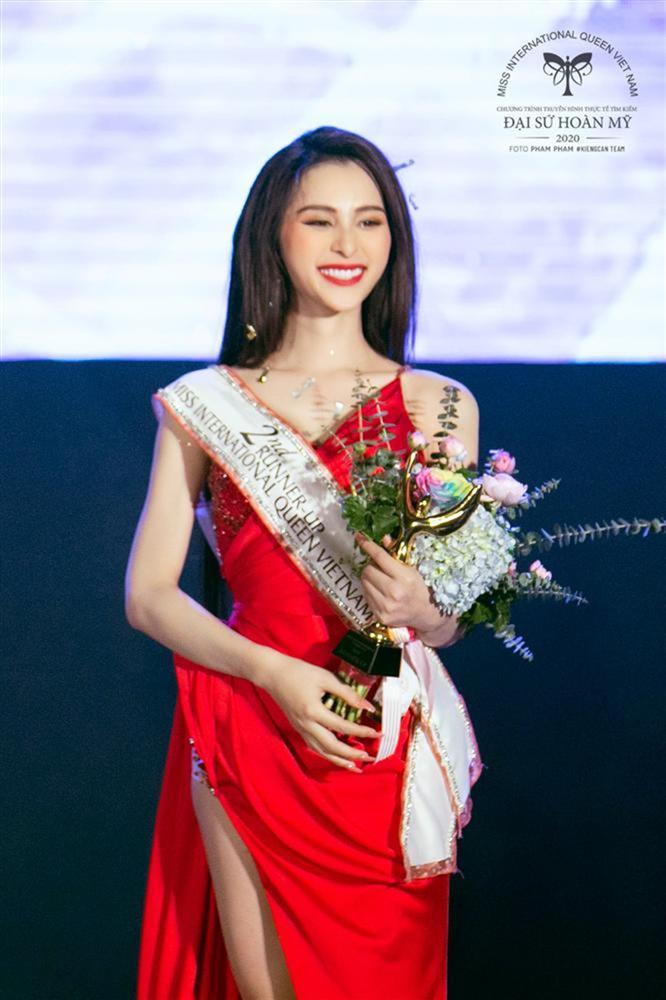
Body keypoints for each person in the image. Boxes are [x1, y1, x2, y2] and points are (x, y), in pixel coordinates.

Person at [126, 125, 482, 1000]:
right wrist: (271, 673)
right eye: (319, 220)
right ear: (273, 236)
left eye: (370, 221)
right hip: (253, 719)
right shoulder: (207, 405)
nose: (347, 243)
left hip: (379, 738)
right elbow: (149, 595)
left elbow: (452, 614)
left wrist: (423, 608)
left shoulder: (442, 406)